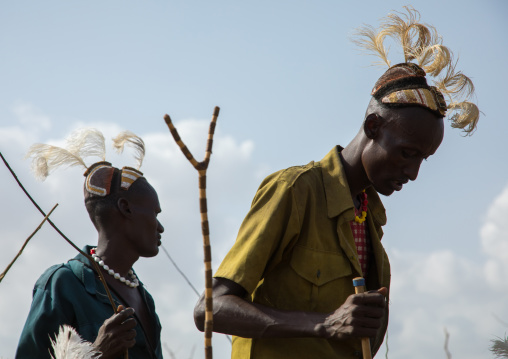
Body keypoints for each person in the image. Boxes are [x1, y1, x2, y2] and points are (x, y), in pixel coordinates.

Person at [194, 7, 479, 359]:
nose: (414, 172)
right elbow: (210, 308)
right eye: (407, 153)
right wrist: (324, 324)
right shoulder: (295, 190)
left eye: (424, 159)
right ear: (373, 127)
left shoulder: (370, 216)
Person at [16, 129, 165, 359]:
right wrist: (97, 352)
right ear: (125, 208)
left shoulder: (145, 299)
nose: (160, 226)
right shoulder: (62, 285)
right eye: (154, 213)